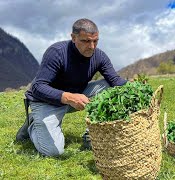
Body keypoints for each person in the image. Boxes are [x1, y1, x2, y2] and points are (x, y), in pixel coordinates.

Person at [15, 18, 127, 156]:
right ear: (73, 38)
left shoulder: (99, 56)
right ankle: (33, 123)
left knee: (109, 86)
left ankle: (92, 134)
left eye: (95, 41)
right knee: (54, 152)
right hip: (45, 102)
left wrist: (136, 89)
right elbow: (38, 87)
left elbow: (115, 80)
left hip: (75, 97)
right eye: (86, 41)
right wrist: (68, 97)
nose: (92, 46)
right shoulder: (57, 53)